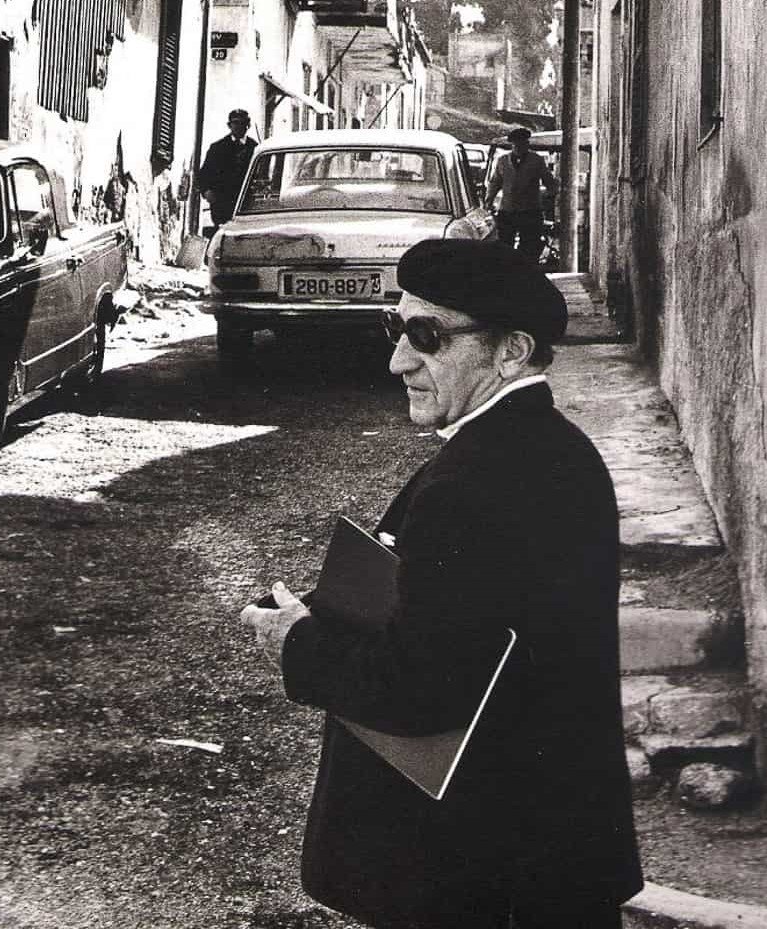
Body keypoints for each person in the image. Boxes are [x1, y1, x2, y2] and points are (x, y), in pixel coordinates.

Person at [241, 239, 643, 929]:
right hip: (545, 852)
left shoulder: (474, 483)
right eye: (395, 329)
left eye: (427, 336)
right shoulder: (550, 448)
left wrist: (297, 641)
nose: (399, 359)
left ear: (510, 351)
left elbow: (419, 688)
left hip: (481, 870)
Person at [484, 127, 558, 262]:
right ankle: (507, 273)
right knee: (504, 245)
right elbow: (494, 183)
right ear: (512, 145)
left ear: (527, 144)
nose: (519, 147)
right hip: (507, 210)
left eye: (522, 144)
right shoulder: (502, 161)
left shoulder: (536, 161)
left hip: (530, 211)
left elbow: (549, 182)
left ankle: (525, 272)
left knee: (529, 246)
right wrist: (488, 201)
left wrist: (547, 199)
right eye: (516, 145)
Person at [198, 108, 257, 227]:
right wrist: (207, 192)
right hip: (222, 203)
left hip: (246, 203)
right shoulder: (218, 148)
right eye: (235, 123)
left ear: (248, 125)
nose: (239, 126)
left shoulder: (254, 148)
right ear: (229, 125)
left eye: (243, 123)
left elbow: (262, 175)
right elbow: (204, 174)